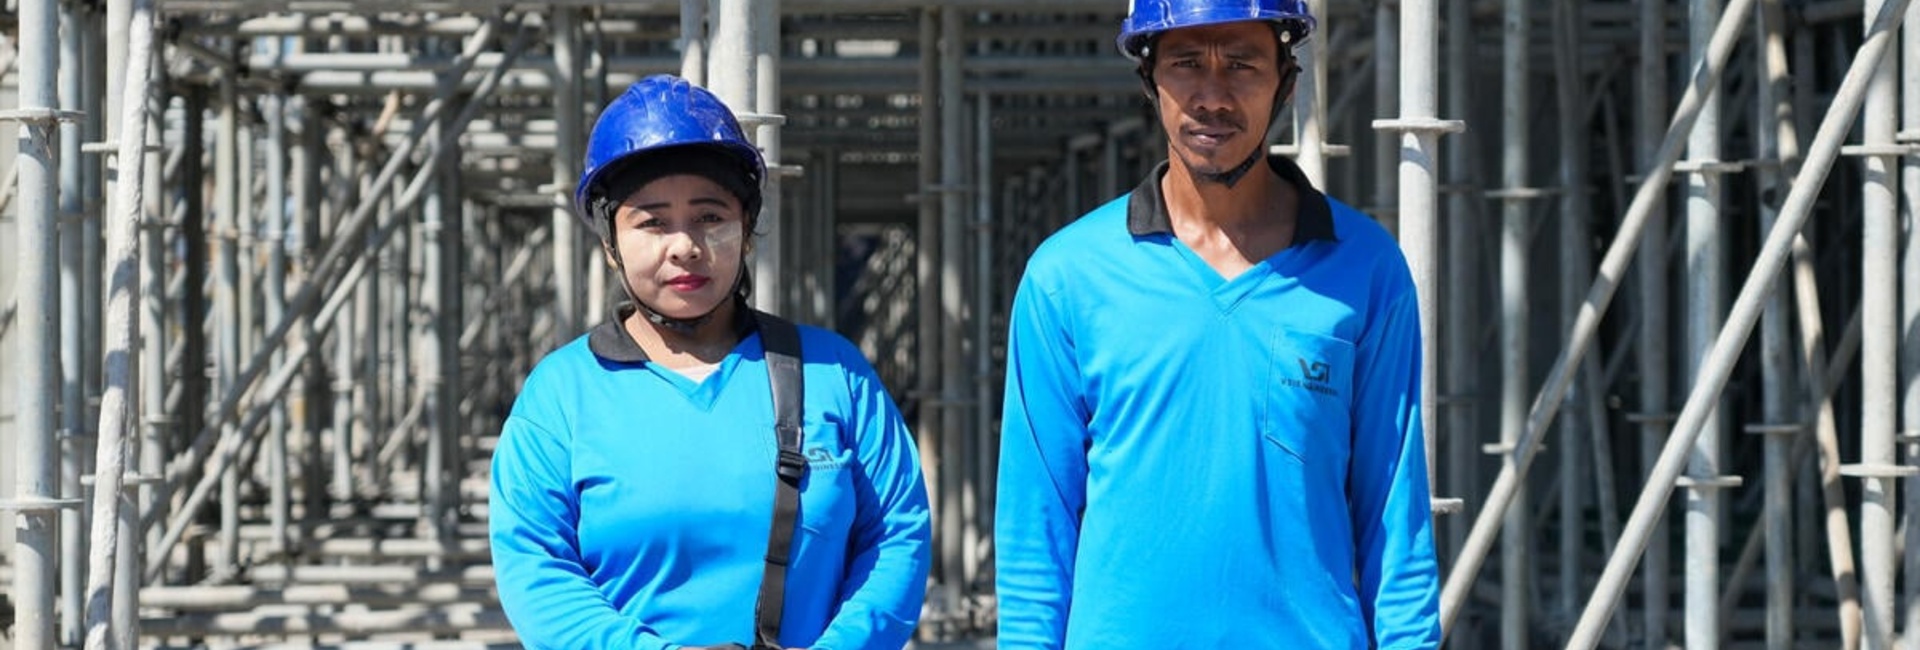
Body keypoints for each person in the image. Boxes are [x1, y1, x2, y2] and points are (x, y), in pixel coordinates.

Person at [994, 1, 1443, 647]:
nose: (1213, 96)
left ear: (1285, 80)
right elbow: (1037, 523)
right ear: (1150, 79)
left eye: (1241, 64)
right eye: (1185, 64)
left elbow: (1394, 516)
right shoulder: (1069, 276)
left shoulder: (1365, 268)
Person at [490, 74, 932, 650]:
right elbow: (536, 567)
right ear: (609, 243)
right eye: (651, 222)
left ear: (746, 231)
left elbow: (897, 535)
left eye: (709, 217)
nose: (685, 246)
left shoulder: (833, 373)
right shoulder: (563, 394)